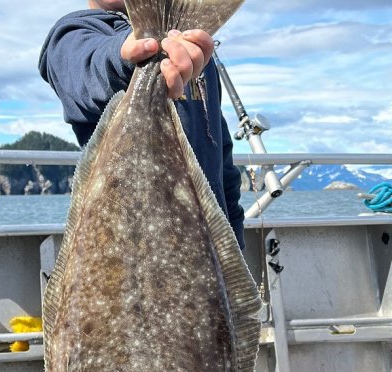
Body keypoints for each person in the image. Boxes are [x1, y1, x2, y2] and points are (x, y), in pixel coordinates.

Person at [38, 0, 246, 250]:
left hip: (210, 256)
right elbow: (90, 67)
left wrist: (237, 249)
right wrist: (133, 57)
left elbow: (223, 166)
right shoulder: (72, 35)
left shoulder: (196, 57)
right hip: (127, 248)